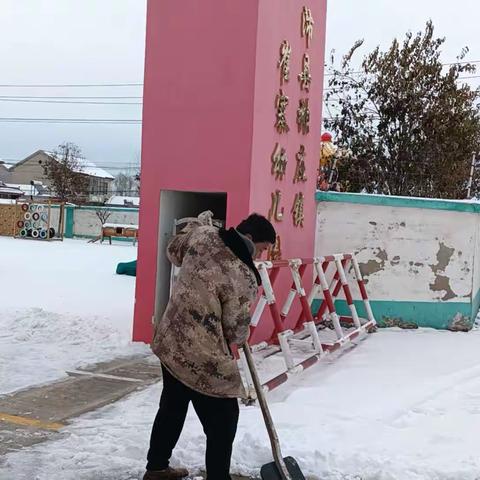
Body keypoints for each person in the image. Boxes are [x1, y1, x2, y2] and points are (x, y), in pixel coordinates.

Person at [144, 213, 276, 480]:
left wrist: (195, 229)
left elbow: (173, 251)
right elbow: (235, 330)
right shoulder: (242, 274)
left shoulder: (203, 236)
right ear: (250, 239)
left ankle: (156, 467)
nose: (261, 256)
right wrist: (242, 330)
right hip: (202, 357)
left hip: (170, 340)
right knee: (224, 420)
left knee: (172, 406)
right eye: (262, 249)